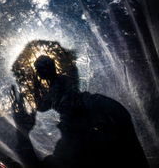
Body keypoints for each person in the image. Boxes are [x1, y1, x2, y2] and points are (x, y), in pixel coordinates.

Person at [11, 49, 149, 168]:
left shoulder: (62, 82)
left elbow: (68, 103)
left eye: (41, 68)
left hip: (82, 118)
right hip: (77, 122)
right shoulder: (52, 89)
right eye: (38, 70)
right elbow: (43, 108)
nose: (40, 72)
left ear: (51, 67)